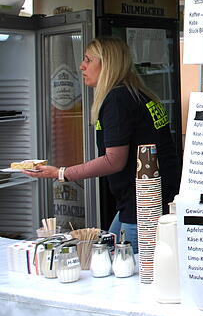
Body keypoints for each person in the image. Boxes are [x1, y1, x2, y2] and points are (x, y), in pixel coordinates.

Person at [24, 36, 180, 253]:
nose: (82, 66)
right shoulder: (140, 95)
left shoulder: (118, 100)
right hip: (146, 200)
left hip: (142, 206)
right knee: (108, 253)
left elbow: (113, 161)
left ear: (107, 64)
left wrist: (60, 173)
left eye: (88, 59)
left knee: (130, 275)